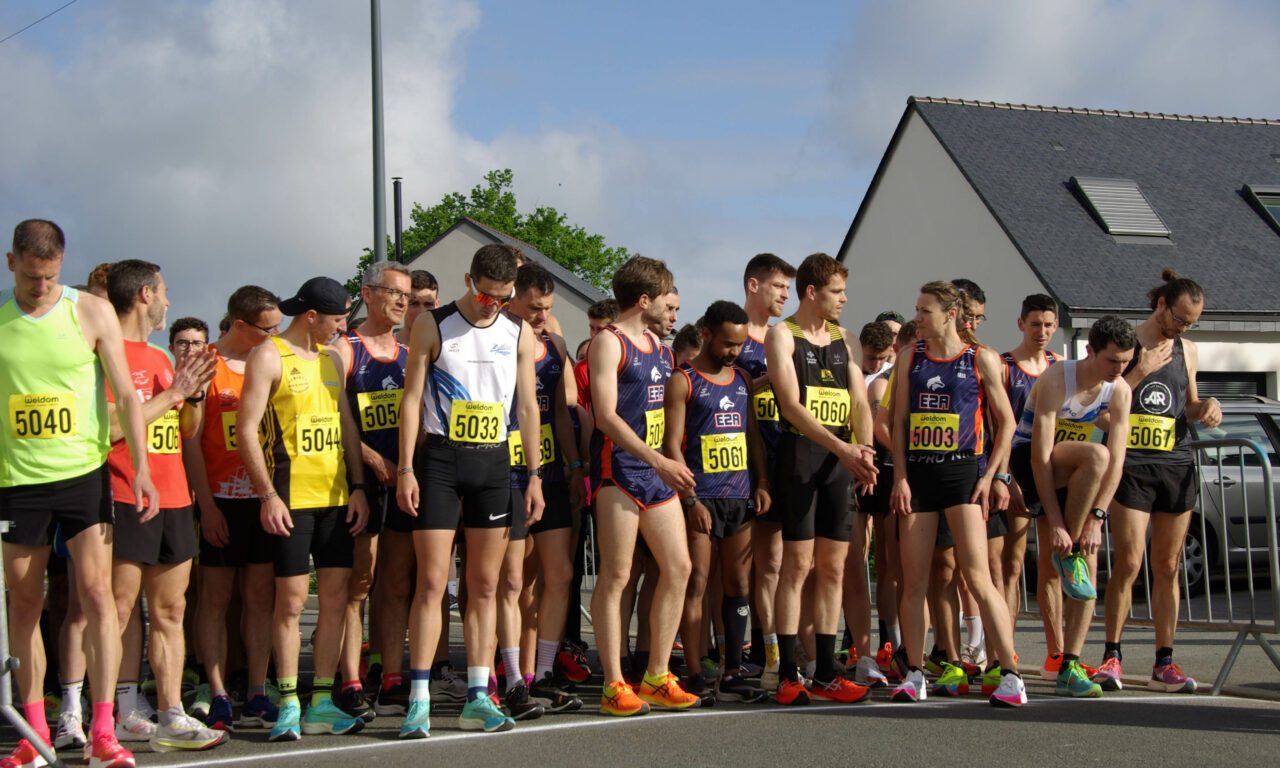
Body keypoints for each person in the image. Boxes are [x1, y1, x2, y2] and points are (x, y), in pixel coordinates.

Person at [1, 220, 155, 768]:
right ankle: (34, 733)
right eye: (31, 276)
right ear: (11, 262)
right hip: (17, 481)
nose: (40, 287)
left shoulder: (89, 312)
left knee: (97, 598)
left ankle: (104, 730)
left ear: (61, 264)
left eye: (49, 276)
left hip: (83, 475)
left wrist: (140, 468)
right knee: (25, 604)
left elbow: (127, 397)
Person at [396, 243, 546, 737]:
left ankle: (479, 697)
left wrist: (535, 474)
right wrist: (405, 469)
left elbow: (527, 407)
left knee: (484, 587)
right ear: (468, 279)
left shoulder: (517, 331)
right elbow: (412, 400)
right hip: (440, 461)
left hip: (494, 464)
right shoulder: (431, 325)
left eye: (502, 298)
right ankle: (418, 697)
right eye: (485, 295)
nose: (492, 305)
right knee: (433, 582)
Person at [99, 261, 226, 754]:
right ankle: (123, 709)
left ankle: (172, 713)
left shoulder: (158, 356)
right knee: (119, 609)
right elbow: (111, 427)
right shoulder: (103, 354)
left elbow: (185, 430)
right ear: (145, 294)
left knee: (171, 609)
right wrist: (175, 392)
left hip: (174, 494)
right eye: (165, 294)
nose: (169, 303)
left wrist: (190, 395)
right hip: (125, 492)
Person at [237, 276, 370, 741]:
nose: (341, 329)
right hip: (290, 499)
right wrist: (267, 495)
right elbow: (246, 429)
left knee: (336, 600)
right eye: (336, 321)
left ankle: (320, 701)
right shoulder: (270, 354)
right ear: (310, 316)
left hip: (336, 498)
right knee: (292, 603)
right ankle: (289, 701)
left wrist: (358, 485)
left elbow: (346, 426)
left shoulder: (334, 357)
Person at [888, 280, 1024, 707]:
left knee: (979, 578)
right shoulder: (910, 358)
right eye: (916, 309)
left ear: (950, 314)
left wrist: (991, 477)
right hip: (920, 476)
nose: (916, 318)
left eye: (924, 311)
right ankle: (914, 673)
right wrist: (900, 478)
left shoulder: (980, 358)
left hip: (963, 473)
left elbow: (1007, 424)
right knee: (915, 581)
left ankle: (1011, 675)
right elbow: (898, 422)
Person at [1096, 269, 1220, 694]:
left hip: (1176, 462)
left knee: (1168, 566)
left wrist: (1208, 406)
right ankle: (1111, 655)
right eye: (1179, 319)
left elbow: (1187, 406)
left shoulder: (1187, 349)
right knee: (1129, 563)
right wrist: (1137, 372)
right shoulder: (1126, 345)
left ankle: (1164, 661)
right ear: (1161, 305)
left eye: (1191, 323)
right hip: (1132, 466)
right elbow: (1100, 413)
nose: (1182, 328)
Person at [586, 256, 698, 716]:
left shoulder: (659, 346)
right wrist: (658, 459)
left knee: (679, 567)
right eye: (666, 295)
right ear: (645, 299)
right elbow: (605, 416)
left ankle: (655, 674)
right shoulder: (608, 344)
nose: (673, 306)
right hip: (620, 473)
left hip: (655, 473)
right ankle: (613, 682)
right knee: (616, 576)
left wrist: (668, 460)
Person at [764, 253, 877, 706]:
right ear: (812, 292)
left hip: (840, 463)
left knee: (833, 568)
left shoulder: (845, 339)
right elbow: (790, 405)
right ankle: (789, 673)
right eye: (836, 292)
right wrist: (843, 449)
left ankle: (827, 670)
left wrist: (863, 451)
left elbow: (861, 403)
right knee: (798, 568)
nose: (844, 300)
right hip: (803, 458)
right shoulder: (781, 335)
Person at [1012, 316, 1135, 697]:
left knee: (1087, 572)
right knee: (1095, 455)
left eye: (1126, 362)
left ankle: (1070, 664)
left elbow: (1119, 460)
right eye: (1112, 361)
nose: (1119, 370)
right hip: (1035, 463)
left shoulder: (1119, 390)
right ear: (1090, 351)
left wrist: (1097, 518)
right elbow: (1039, 458)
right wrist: (1056, 521)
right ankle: (1071, 550)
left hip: (1079, 473)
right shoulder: (1055, 379)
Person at [183, 286, 283, 733]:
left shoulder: (270, 358)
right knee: (216, 599)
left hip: (263, 497)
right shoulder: (206, 364)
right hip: (220, 498)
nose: (275, 334)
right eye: (267, 327)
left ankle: (258, 690)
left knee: (261, 597)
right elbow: (190, 442)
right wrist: (206, 505)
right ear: (240, 325)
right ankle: (218, 689)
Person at [665, 300, 771, 703]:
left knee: (739, 584)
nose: (734, 351)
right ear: (706, 333)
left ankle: (731, 671)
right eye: (728, 343)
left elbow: (751, 435)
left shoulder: (742, 377)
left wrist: (761, 481)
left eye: (740, 345)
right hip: (701, 497)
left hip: (740, 497)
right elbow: (671, 445)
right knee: (697, 582)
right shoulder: (684, 379)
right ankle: (694, 673)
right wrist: (689, 499)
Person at [329, 261, 413, 721]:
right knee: (358, 584)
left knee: (396, 583)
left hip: (401, 480)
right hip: (359, 482)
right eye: (394, 293)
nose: (402, 301)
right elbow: (334, 417)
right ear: (368, 293)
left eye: (407, 295)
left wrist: (405, 467)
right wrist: (371, 460)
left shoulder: (406, 351)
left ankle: (393, 674)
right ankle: (351, 678)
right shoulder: (345, 349)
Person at [503, 262, 587, 713]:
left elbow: (559, 411)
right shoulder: (493, 342)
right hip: (507, 475)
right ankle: (512, 676)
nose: (541, 316)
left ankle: (546, 671)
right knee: (514, 580)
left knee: (560, 576)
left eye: (547, 308)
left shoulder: (553, 344)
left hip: (550, 473)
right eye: (534, 308)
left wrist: (574, 466)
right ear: (511, 300)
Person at [734, 253, 795, 688]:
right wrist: (766, 380)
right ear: (753, 286)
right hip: (744, 465)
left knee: (788, 564)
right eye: (778, 287)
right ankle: (752, 649)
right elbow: (719, 389)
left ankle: (782, 648)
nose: (784, 296)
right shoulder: (731, 334)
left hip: (787, 459)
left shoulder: (784, 337)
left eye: (789, 289)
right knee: (749, 566)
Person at [997, 294, 1065, 678]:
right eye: (1035, 324)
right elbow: (999, 428)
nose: (1042, 332)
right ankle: (1008, 655)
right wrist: (1006, 477)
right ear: (1021, 324)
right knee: (1011, 565)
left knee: (1053, 565)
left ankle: (1056, 655)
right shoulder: (1006, 367)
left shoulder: (1060, 367)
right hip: (1019, 473)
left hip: (1054, 472)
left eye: (1049, 325)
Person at [573, 298, 618, 409]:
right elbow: (579, 409)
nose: (593, 335)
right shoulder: (582, 368)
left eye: (599, 329)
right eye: (592, 328)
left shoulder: (635, 359)